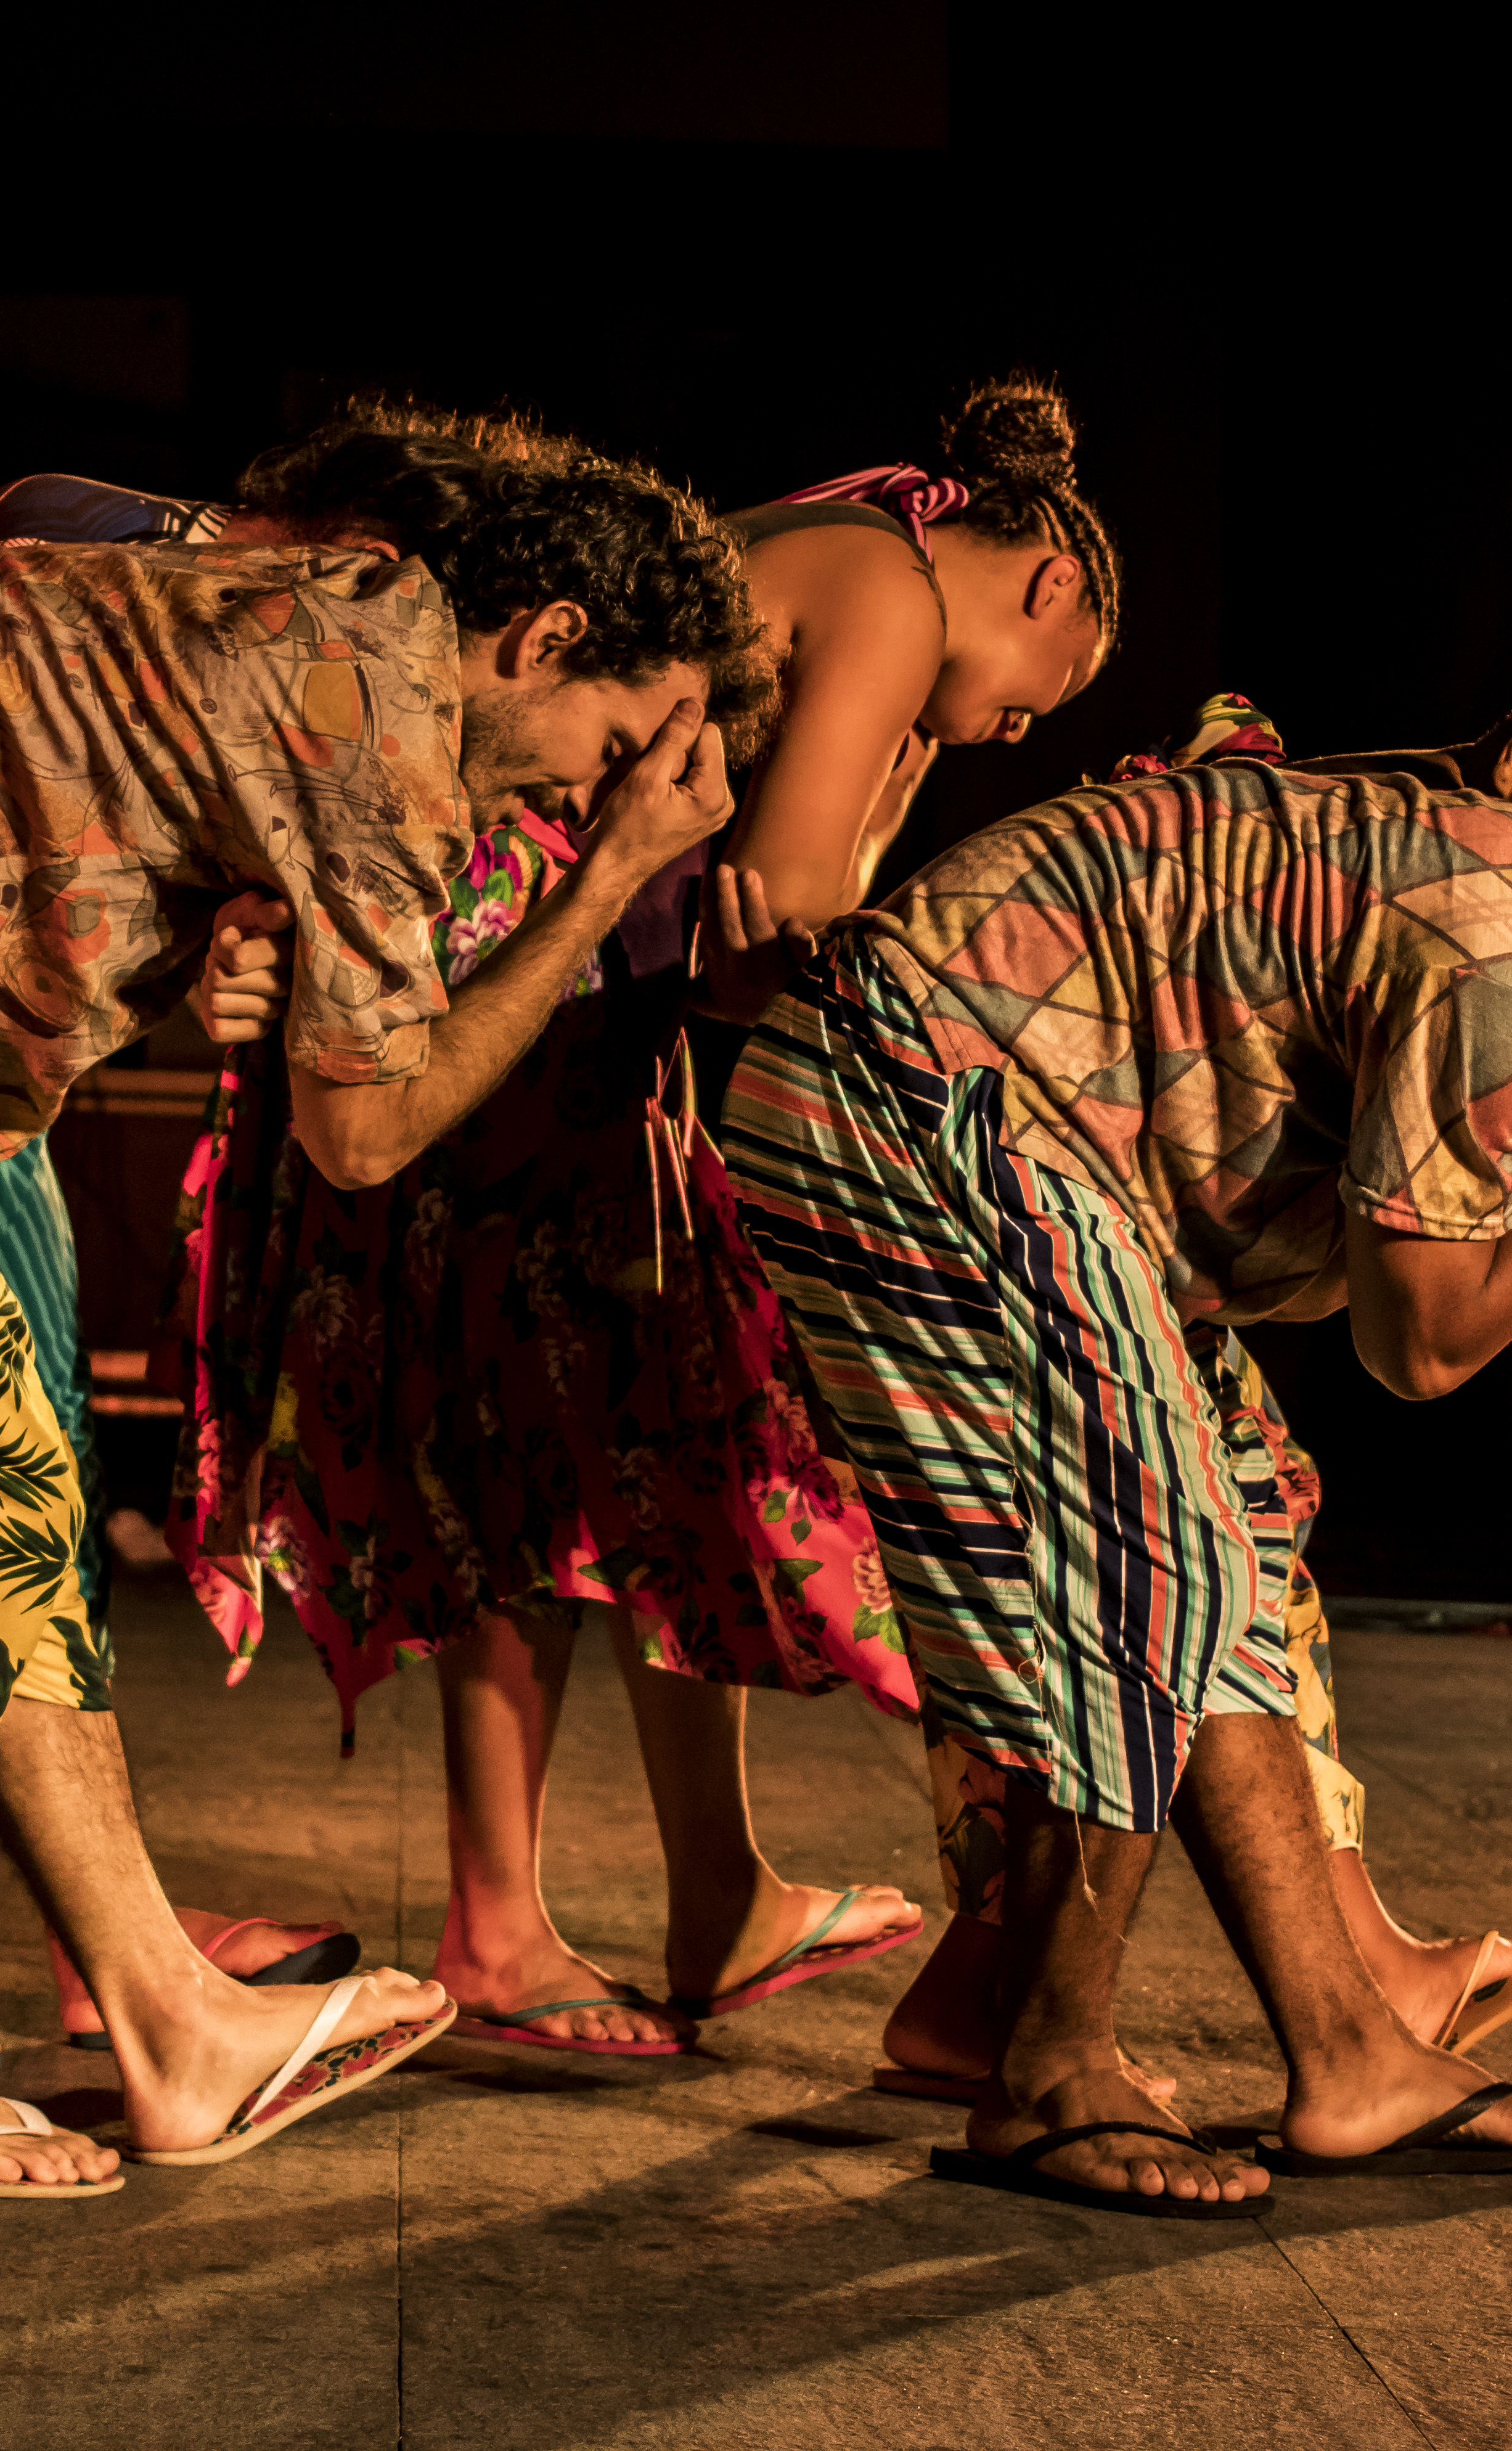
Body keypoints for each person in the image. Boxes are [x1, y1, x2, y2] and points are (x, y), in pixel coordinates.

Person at [0, 438, 767, 2193]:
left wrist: (207, 934)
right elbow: (371, 1130)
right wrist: (613, 875)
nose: (596, 789)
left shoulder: (297, 619)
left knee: (6, 1488)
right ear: (544, 633)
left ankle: (166, 2026)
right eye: (622, 744)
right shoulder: (382, 693)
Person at [719, 567, 1512, 2212]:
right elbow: (1423, 1344)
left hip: (1007, 1120)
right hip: (925, 1089)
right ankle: (1050, 2066)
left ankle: (1341, 2047)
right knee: (1158, 1547)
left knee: (1243, 1527)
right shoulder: (1506, 929)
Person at [167, 383, 1148, 2055]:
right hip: (528, 972)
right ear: (1048, 585)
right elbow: (787, 891)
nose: (1025, 732)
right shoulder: (895, 592)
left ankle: (714, 1888)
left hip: (548, 981)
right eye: (1049, 699)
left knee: (644, 1438)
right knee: (544, 1438)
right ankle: (511, 1925)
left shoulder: (813, 550)